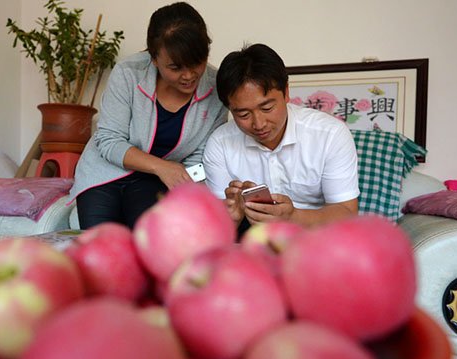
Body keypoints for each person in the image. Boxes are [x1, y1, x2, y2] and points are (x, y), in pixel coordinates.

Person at [68, 2, 228, 229]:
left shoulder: (216, 88)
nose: (189, 75)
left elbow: (201, 157)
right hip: (104, 173)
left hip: (153, 182)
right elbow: (108, 140)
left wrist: (187, 188)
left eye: (197, 62)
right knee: (99, 240)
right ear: (154, 58)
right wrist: (162, 166)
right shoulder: (128, 73)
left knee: (150, 236)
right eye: (175, 67)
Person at [202, 43, 359, 234]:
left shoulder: (330, 135)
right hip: (253, 240)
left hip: (316, 239)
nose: (259, 124)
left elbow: (347, 213)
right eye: (243, 114)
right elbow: (216, 235)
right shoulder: (220, 144)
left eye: (267, 108)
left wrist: (292, 217)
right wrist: (232, 218)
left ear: (286, 92)